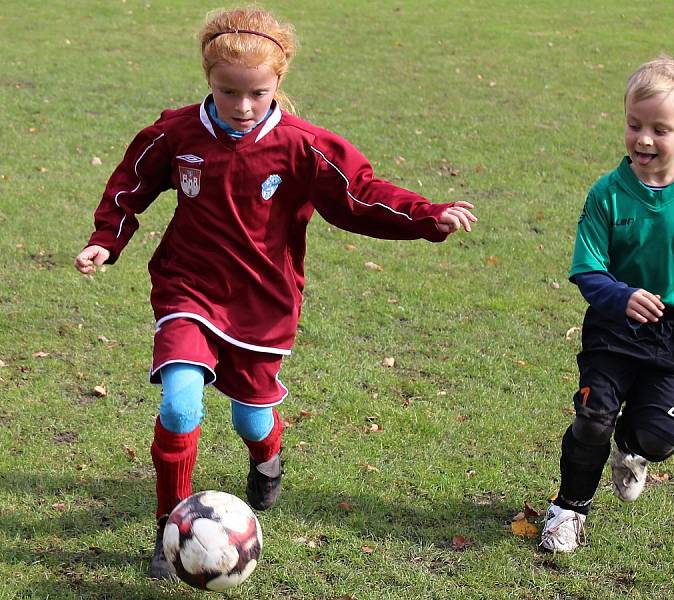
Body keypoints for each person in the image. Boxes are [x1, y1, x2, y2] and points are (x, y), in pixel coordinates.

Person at [74, 7, 476, 578]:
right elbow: (130, 185)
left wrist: (426, 216)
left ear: (279, 84)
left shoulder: (303, 146)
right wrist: (106, 241)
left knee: (250, 422)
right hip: (188, 287)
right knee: (179, 399)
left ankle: (267, 459)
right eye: (227, 91)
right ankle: (171, 528)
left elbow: (359, 196)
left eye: (257, 93)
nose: (242, 106)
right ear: (208, 81)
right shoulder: (177, 133)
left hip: (264, 302)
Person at [540, 55, 674, 552]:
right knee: (593, 418)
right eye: (635, 125)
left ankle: (632, 448)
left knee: (659, 436)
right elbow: (587, 269)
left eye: (660, 128)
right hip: (614, 326)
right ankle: (568, 510)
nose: (644, 139)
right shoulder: (607, 195)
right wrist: (621, 295)